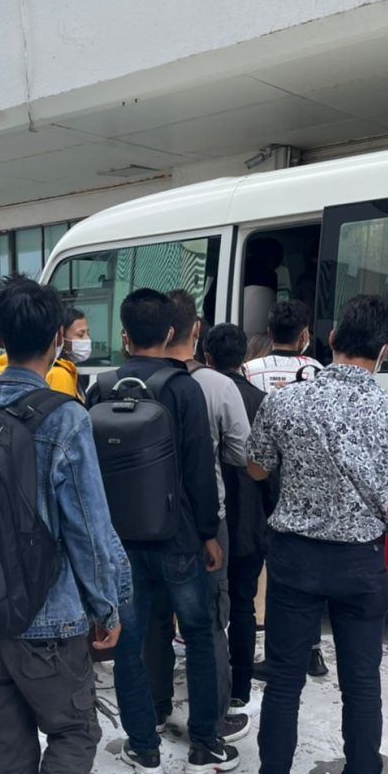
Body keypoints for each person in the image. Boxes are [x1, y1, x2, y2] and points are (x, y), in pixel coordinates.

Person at [247, 294, 388, 774]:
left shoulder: (285, 403)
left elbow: (256, 468)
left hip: (294, 560)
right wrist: (377, 529)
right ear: (386, 351)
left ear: (331, 340)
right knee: (361, 685)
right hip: (361, 562)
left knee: (284, 682)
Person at [0, 276, 130, 774]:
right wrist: (107, 608)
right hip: (48, 618)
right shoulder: (64, 418)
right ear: (59, 338)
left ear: (0, 338)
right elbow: (88, 529)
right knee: (75, 732)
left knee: (1, 750)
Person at [86, 288, 238, 774]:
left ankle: (144, 749)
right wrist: (209, 533)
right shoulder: (183, 388)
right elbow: (199, 469)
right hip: (178, 538)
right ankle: (205, 746)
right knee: (198, 633)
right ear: (172, 332)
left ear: (124, 336)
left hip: (120, 543)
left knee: (129, 641)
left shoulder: (100, 389)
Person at [144, 292, 252, 744]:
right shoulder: (217, 386)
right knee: (207, 624)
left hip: (142, 522)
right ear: (195, 330)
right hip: (203, 522)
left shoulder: (129, 381)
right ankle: (213, 721)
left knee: (154, 621)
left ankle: (154, 709)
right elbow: (243, 453)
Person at [243, 299, 328, 680]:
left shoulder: (248, 370)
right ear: (305, 334)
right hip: (309, 477)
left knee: (274, 567)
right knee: (308, 565)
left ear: (269, 332)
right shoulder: (319, 371)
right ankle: (312, 650)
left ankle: (278, 653)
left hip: (262, 475)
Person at [203, 322, 270, 710]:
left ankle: (210, 679)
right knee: (244, 604)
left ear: (208, 357)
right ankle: (240, 686)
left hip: (209, 522)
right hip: (250, 521)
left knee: (210, 607)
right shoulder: (262, 401)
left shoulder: (199, 394)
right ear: (244, 357)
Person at [0, 306, 91, 401]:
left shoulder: (0, 373)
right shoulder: (59, 374)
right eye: (80, 335)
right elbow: (64, 413)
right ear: (59, 336)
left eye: (88, 333)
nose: (87, 339)